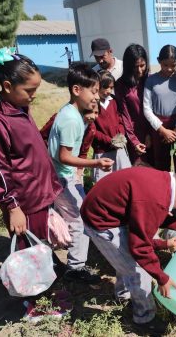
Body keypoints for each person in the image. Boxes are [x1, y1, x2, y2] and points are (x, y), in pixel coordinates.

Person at [80, 164, 176, 335]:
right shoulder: (154, 198)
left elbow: (157, 214)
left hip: (112, 212)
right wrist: (161, 277)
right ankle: (145, 319)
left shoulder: (164, 182)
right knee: (138, 270)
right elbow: (139, 247)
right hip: (100, 221)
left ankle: (123, 295)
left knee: (123, 257)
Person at [0, 50, 62, 249]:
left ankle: (49, 275)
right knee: (29, 256)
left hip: (39, 193)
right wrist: (13, 207)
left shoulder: (19, 106)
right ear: (7, 86)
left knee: (41, 247)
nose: (34, 95)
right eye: (29, 90)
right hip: (24, 202)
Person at [48, 64, 114, 283]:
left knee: (80, 216)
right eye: (93, 91)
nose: (96, 97)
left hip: (65, 175)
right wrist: (94, 162)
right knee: (78, 220)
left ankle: (74, 263)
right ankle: (75, 269)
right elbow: (64, 156)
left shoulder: (72, 114)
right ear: (77, 90)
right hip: (60, 178)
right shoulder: (70, 120)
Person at [143, 44, 176, 171]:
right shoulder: (151, 80)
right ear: (158, 61)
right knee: (161, 164)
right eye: (165, 65)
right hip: (159, 128)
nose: (169, 69)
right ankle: (164, 190)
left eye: (173, 65)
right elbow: (147, 108)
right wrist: (162, 130)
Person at [40, 104, 99, 197]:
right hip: (51, 165)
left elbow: (83, 152)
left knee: (78, 196)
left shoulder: (91, 128)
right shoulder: (64, 118)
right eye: (89, 112)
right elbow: (42, 135)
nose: (93, 116)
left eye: (96, 112)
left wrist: (78, 175)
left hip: (71, 167)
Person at [114, 44, 151, 165]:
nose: (140, 70)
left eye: (142, 65)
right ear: (128, 66)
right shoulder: (121, 85)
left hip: (154, 132)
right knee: (139, 171)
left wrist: (150, 134)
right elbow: (124, 116)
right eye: (136, 67)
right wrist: (134, 141)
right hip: (135, 134)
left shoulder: (150, 80)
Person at [92, 70, 131, 181]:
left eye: (111, 87)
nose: (108, 91)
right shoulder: (93, 103)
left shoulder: (114, 101)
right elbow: (93, 130)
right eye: (105, 87)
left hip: (119, 149)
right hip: (102, 152)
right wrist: (110, 141)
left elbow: (120, 120)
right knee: (105, 184)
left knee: (124, 179)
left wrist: (120, 136)